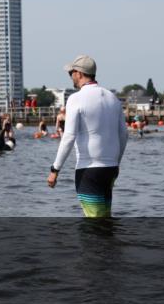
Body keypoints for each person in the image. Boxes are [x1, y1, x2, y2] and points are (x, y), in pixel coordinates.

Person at [47, 55, 128, 218]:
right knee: (105, 220)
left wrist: (55, 169)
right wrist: (116, 163)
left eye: (71, 72)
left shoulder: (76, 99)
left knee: (93, 223)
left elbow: (69, 136)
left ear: (79, 73)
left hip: (89, 169)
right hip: (111, 168)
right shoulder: (113, 98)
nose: (70, 76)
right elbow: (124, 135)